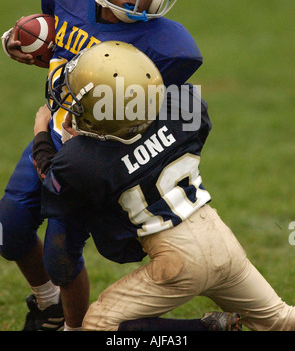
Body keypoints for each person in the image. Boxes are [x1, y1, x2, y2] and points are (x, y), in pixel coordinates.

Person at [0, 0, 204, 331]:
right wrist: (29, 38)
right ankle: (47, 304)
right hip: (51, 129)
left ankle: (73, 327)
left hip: (89, 158)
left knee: (61, 256)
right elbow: (53, 18)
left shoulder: (170, 47)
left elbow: (153, 114)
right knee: (10, 228)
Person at [34, 42, 295, 332]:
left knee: (98, 324)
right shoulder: (185, 108)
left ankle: (203, 329)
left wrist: (41, 133)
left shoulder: (82, 160)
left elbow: (52, 179)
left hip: (177, 259)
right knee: (280, 321)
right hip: (221, 240)